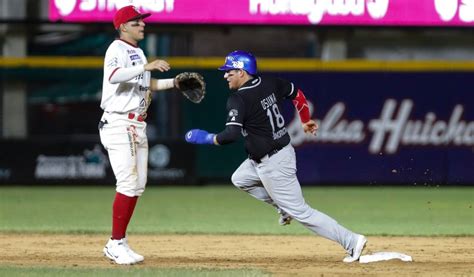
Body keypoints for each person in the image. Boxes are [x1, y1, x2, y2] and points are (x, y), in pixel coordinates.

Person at [185, 50, 367, 262]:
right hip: (272, 155)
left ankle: (351, 241)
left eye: (229, 71)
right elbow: (297, 94)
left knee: (303, 213)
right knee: (239, 179)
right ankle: (283, 207)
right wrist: (305, 119)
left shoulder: (238, 99)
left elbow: (230, 135)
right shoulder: (269, 82)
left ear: (242, 72)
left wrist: (207, 138)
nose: (225, 75)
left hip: (274, 163)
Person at [99, 5, 178, 265]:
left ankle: (120, 241)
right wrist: (147, 65)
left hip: (137, 124)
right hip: (119, 123)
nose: (143, 24)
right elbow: (113, 76)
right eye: (136, 22)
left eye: (142, 21)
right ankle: (114, 243)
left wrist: (174, 83)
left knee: (138, 185)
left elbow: (145, 84)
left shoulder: (138, 51)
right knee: (127, 184)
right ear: (123, 27)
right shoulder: (117, 49)